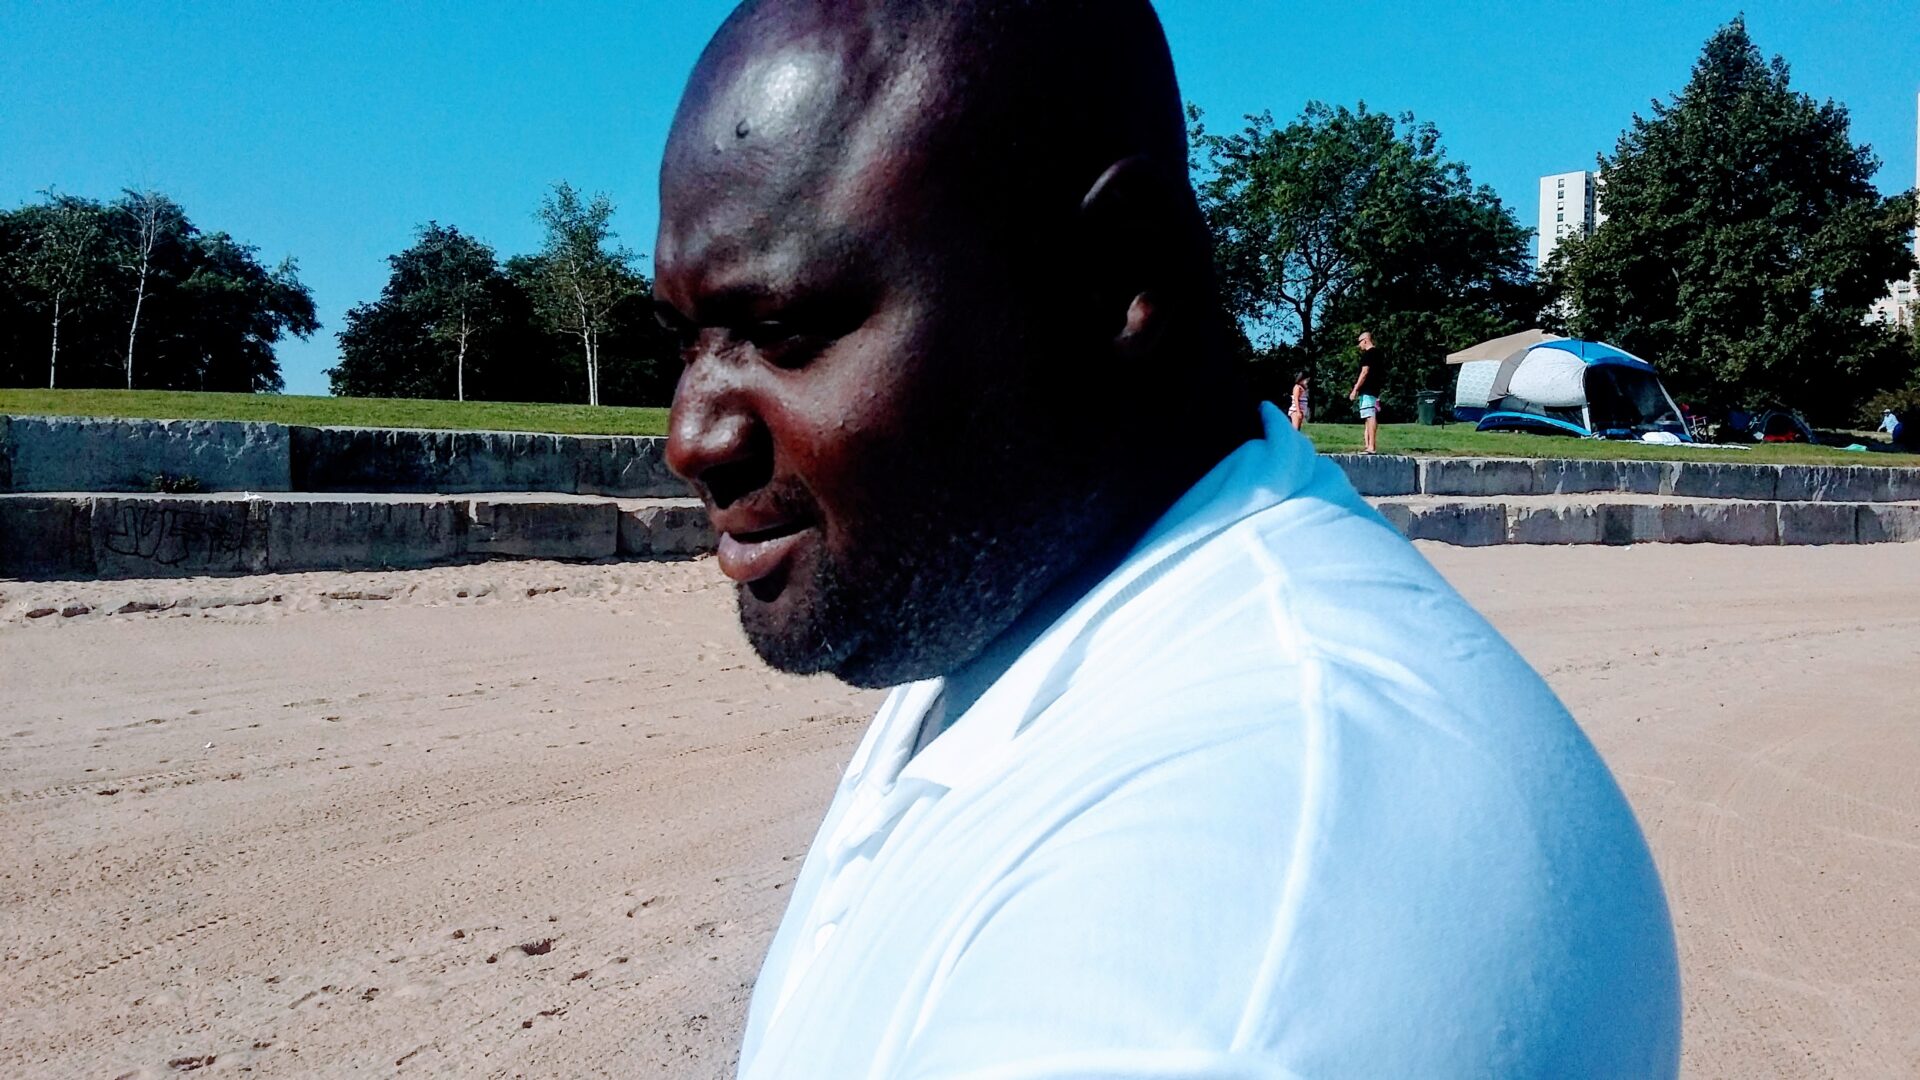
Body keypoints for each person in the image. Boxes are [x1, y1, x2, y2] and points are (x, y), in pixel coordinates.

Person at [656, 2, 1680, 1076]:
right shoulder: (1030, 592)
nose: (691, 438)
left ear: (1114, 278)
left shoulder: (1246, 922)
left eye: (783, 331)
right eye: (683, 342)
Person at [1348, 330, 1386, 453]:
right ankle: (1368, 444)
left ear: (1365, 340)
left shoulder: (1368, 354)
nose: (1359, 345)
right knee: (1367, 415)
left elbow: (1364, 372)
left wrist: (1355, 389)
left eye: (1360, 342)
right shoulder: (1379, 354)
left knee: (1370, 416)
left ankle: (1371, 446)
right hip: (1375, 389)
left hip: (1368, 389)